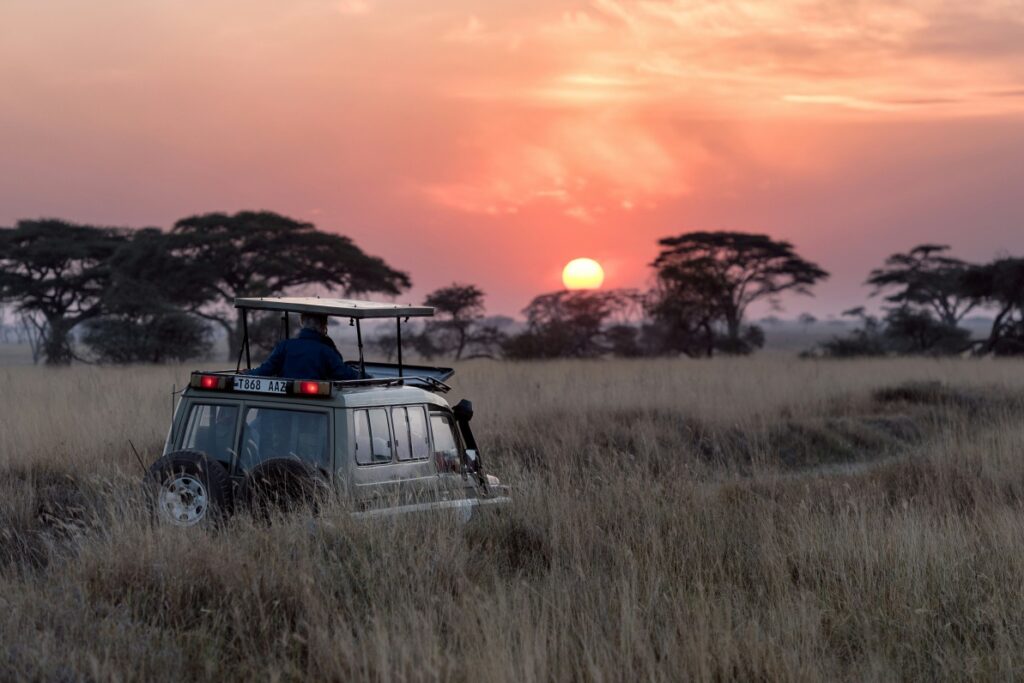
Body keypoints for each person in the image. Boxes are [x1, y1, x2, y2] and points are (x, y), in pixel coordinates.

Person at [246, 313, 361, 381]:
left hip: (285, 403)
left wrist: (247, 374)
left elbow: (266, 369)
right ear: (323, 325)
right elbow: (343, 373)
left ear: (302, 322)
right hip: (317, 404)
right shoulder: (326, 350)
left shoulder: (284, 346)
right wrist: (364, 377)